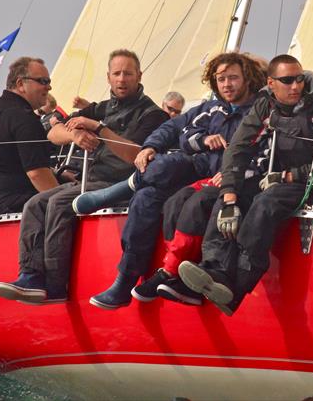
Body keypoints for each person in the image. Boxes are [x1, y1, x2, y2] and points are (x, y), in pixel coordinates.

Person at [178, 54, 313, 316]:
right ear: (271, 83)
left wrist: (291, 175)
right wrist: (230, 195)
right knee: (231, 191)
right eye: (287, 81)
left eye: (299, 79)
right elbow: (238, 149)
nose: (296, 86)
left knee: (267, 201)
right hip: (287, 181)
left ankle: (238, 286)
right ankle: (215, 269)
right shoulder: (266, 105)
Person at [89, 52, 267, 310]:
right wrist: (149, 146)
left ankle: (173, 271)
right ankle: (125, 278)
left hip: (226, 181)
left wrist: (232, 175)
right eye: (221, 79)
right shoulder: (211, 108)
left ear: (248, 78)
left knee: (182, 201)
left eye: (233, 78)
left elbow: (266, 151)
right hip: (199, 173)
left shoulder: (262, 112)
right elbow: (173, 128)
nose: (227, 84)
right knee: (147, 196)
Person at [0, 49, 168, 305]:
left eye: (128, 73)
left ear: (139, 76)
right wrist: (75, 135)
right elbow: (52, 132)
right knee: (35, 203)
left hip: (123, 183)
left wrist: (98, 127)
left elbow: (134, 155)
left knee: (59, 203)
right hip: (92, 180)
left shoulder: (153, 114)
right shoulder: (101, 107)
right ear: (108, 78)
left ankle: (55, 286)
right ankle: (29, 275)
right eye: (116, 74)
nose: (122, 79)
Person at [0, 57, 59, 217]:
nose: (49, 86)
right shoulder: (23, 117)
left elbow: (3, 159)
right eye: (43, 81)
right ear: (21, 84)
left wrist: (59, 176)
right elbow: (37, 174)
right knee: (72, 196)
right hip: (11, 206)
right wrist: (65, 200)